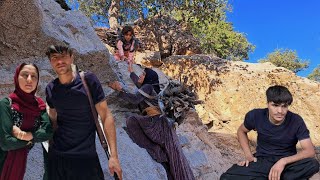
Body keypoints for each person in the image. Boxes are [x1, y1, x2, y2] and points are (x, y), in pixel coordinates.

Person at [45, 45, 122, 180]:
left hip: (86, 158)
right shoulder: (51, 89)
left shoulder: (88, 80)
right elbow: (52, 119)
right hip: (58, 158)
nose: (59, 61)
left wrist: (114, 156)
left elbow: (106, 115)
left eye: (63, 56)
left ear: (72, 57)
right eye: (54, 58)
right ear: (51, 62)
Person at [109, 63, 195, 180]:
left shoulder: (148, 87)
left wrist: (120, 90)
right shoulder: (150, 88)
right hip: (162, 124)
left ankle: (156, 151)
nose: (140, 76)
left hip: (155, 123)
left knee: (132, 121)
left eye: (143, 74)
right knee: (174, 156)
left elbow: (135, 99)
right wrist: (131, 72)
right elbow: (139, 86)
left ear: (148, 78)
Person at [220, 85, 319, 180]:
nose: (280, 111)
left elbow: (309, 151)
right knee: (226, 177)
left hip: (288, 164)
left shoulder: (296, 120)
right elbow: (241, 131)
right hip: (263, 161)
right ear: (268, 104)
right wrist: (248, 155)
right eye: (275, 105)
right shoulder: (255, 115)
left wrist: (283, 161)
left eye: (284, 106)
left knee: (312, 164)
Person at [0, 63, 53, 180]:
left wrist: (24, 135)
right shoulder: (6, 104)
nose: (29, 79)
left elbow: (48, 132)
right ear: (16, 77)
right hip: (3, 161)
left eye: (34, 76)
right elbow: (6, 142)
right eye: (25, 75)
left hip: (25, 162)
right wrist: (30, 141)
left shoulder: (39, 105)